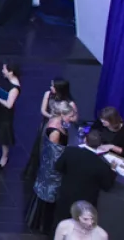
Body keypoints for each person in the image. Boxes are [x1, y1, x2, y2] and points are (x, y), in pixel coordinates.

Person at [26, 99, 75, 234]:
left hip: (51, 165)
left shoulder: (56, 122)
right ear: (62, 114)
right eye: (70, 116)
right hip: (52, 169)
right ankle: (44, 223)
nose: (71, 119)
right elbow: (53, 153)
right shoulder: (55, 131)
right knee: (50, 194)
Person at [54, 130, 117, 225]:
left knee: (60, 223)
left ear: (85, 140)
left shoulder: (70, 151)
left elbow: (58, 167)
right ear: (100, 145)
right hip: (85, 205)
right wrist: (113, 170)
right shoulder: (102, 166)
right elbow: (107, 186)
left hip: (65, 196)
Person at [24, 79, 80, 183]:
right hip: (48, 123)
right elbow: (43, 110)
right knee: (40, 147)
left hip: (61, 126)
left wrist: (62, 119)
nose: (51, 88)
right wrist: (54, 117)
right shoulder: (48, 94)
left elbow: (75, 118)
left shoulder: (69, 103)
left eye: (53, 86)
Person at [0, 62, 22, 169]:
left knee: (4, 135)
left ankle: (4, 157)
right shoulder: (6, 80)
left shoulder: (15, 88)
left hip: (5, 114)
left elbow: (9, 104)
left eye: (4, 69)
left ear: (11, 72)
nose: (2, 71)